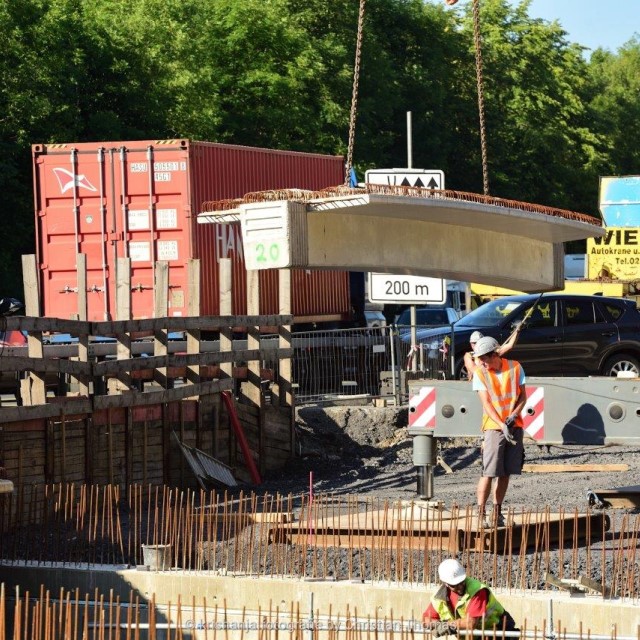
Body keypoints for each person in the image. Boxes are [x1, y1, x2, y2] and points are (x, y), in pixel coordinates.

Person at [472, 336, 526, 527]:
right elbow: (486, 404)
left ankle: (497, 513)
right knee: (489, 471)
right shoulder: (481, 373)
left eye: (484, 359)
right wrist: (501, 423)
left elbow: (523, 396)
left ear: (493, 354)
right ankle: (480, 514)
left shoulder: (516, 367)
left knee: (506, 472)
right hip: (493, 427)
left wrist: (514, 415)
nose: (482, 363)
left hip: (514, 425)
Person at [423, 559, 518, 636]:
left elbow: (470, 623)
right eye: (455, 585)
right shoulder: (439, 597)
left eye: (462, 582)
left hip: (498, 631)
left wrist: (447, 625)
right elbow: (426, 620)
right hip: (474, 636)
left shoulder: (477, 590)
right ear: (446, 584)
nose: (460, 587)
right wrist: (437, 625)